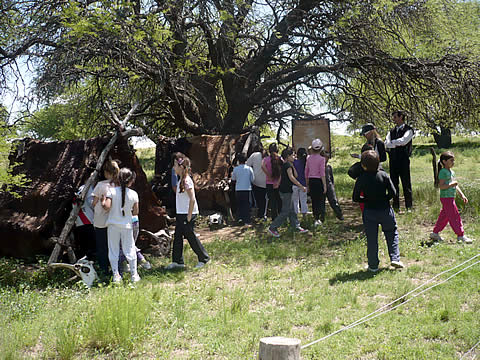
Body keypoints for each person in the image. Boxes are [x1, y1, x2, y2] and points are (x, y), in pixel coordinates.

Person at [352, 150, 404, 272]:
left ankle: (373, 265)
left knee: (372, 238)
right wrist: (384, 199)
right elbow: (393, 192)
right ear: (378, 163)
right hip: (385, 209)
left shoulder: (361, 179)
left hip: (369, 211)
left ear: (363, 165)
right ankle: (395, 258)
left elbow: (355, 197)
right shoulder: (384, 175)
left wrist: (366, 200)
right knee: (391, 233)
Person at [166, 156, 210, 270]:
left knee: (190, 236)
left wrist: (189, 215)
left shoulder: (186, 180)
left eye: (175, 165)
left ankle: (204, 258)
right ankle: (177, 261)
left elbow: (192, 199)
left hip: (187, 213)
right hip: (181, 213)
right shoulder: (181, 179)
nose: (174, 168)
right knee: (177, 237)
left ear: (181, 167)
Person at [103, 168, 141, 283]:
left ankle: (116, 275)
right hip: (127, 225)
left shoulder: (111, 192)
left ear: (118, 179)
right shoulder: (134, 194)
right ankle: (134, 274)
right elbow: (135, 212)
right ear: (131, 181)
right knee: (129, 249)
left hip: (113, 225)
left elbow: (107, 207)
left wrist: (103, 200)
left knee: (113, 250)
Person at [429, 151, 473, 244]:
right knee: (455, 216)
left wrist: (462, 195)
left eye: (454, 160)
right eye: (451, 160)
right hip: (446, 198)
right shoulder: (443, 172)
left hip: (451, 197)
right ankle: (460, 235)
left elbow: (455, 185)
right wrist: (452, 184)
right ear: (444, 161)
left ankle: (435, 233)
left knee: (444, 216)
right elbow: (441, 186)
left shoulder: (452, 172)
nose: (453, 162)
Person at [267, 148, 308, 237]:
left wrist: (293, 165)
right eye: (292, 155)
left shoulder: (287, 165)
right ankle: (273, 227)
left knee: (292, 209)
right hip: (286, 191)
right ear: (288, 156)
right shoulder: (287, 166)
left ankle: (296, 226)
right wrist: (301, 186)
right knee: (285, 211)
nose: (294, 157)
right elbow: (292, 178)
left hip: (286, 190)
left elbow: (295, 175)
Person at [92, 159, 120, 278]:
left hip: (100, 220)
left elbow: (93, 203)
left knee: (102, 246)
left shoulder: (100, 185)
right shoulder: (118, 185)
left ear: (106, 172)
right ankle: (116, 268)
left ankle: (104, 269)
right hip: (114, 220)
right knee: (113, 246)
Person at [385, 110, 414, 211]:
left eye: (395, 117)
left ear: (401, 117)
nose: (394, 119)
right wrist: (395, 143)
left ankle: (409, 206)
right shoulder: (391, 131)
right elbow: (387, 144)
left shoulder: (409, 130)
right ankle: (396, 206)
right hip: (393, 160)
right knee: (393, 183)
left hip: (404, 160)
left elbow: (404, 141)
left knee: (406, 183)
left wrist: (393, 143)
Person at [305, 139, 327, 226]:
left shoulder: (308, 158)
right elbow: (322, 173)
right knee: (320, 200)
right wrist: (325, 185)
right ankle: (321, 218)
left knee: (314, 200)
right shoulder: (322, 159)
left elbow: (306, 171)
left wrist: (307, 184)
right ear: (321, 148)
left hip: (311, 181)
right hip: (319, 181)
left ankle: (316, 218)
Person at [232, 153, 254, 224]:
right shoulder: (249, 169)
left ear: (238, 160)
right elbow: (253, 179)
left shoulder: (235, 169)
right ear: (246, 160)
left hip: (238, 189)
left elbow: (233, 179)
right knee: (247, 205)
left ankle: (240, 219)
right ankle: (247, 220)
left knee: (240, 204)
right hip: (247, 189)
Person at [321, 149, 344, 221]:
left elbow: (331, 177)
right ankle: (322, 217)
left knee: (333, 200)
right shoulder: (319, 167)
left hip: (329, 185)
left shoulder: (329, 167)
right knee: (321, 202)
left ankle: (339, 214)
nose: (326, 159)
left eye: (327, 157)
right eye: (325, 157)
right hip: (321, 185)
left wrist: (332, 185)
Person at [262, 143, 283, 220]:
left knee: (272, 201)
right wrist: (278, 182)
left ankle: (274, 218)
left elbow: (262, 166)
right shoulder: (280, 159)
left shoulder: (265, 159)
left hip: (269, 183)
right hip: (278, 183)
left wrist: (268, 175)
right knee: (279, 201)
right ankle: (281, 217)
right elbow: (282, 172)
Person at [246, 145, 267, 220]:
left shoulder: (254, 155)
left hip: (256, 181)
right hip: (267, 181)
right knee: (264, 199)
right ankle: (263, 215)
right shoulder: (268, 156)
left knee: (258, 199)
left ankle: (259, 213)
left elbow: (247, 165)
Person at [292, 147, 308, 218]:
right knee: (303, 200)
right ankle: (304, 215)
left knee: (295, 201)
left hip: (295, 184)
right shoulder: (306, 163)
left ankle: (295, 215)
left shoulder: (294, 162)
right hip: (304, 184)